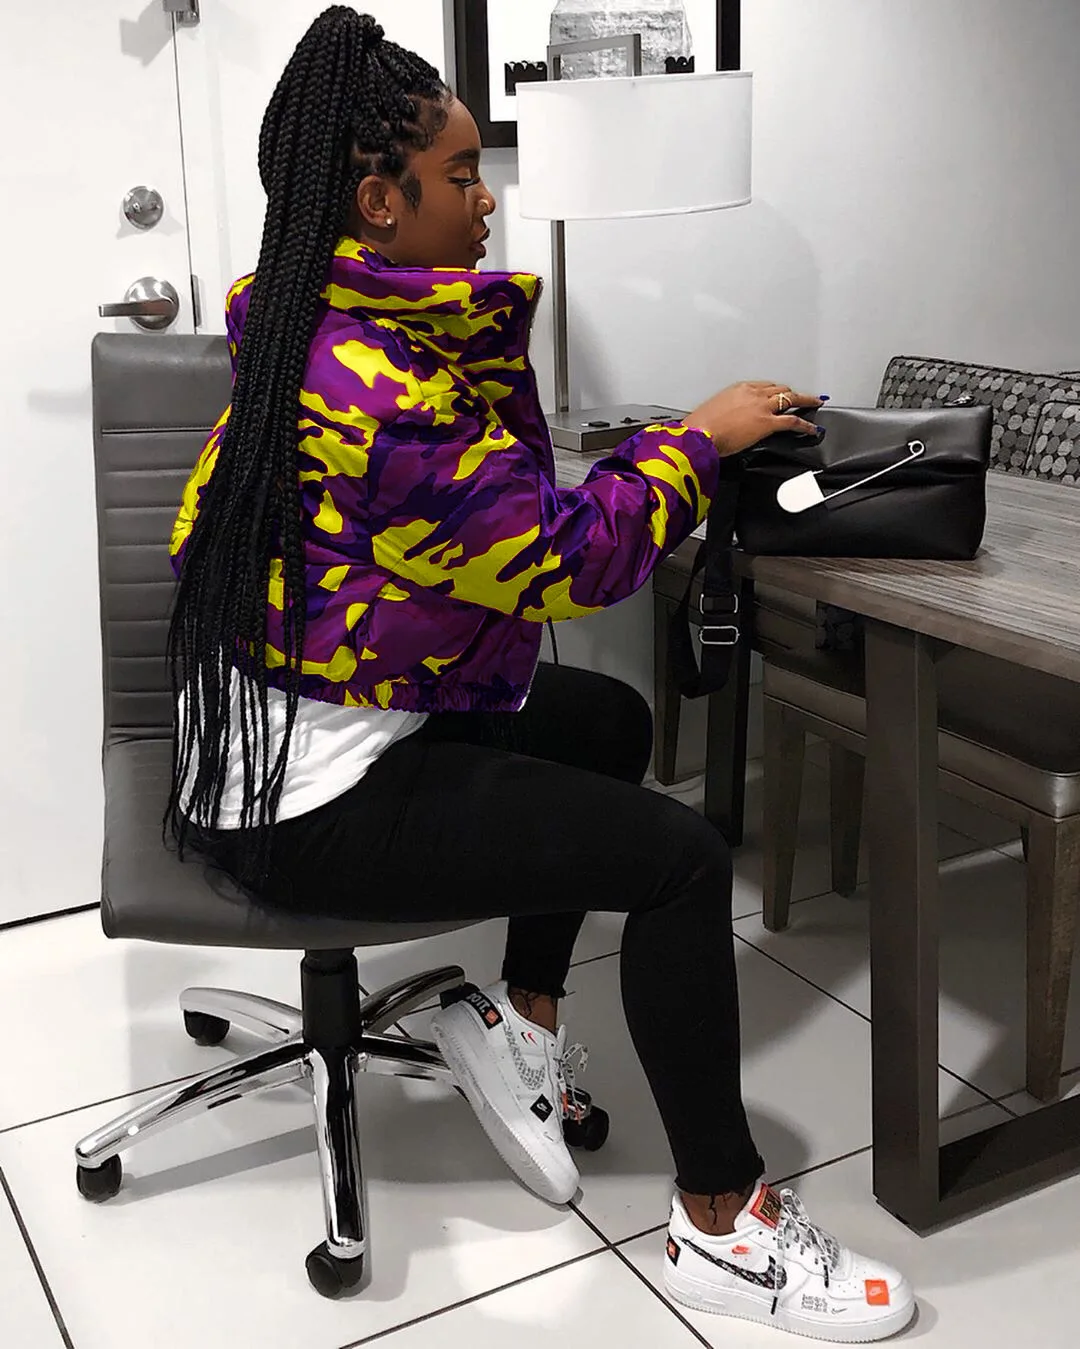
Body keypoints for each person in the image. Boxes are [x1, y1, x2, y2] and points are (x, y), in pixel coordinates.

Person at [167, 9, 914, 1341]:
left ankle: (523, 1024)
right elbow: (571, 566)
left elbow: (473, 531)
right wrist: (696, 440)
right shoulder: (376, 390)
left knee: (608, 719)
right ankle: (723, 1227)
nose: (487, 202)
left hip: (299, 729)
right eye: (462, 176)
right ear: (380, 202)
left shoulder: (306, 319)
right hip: (303, 806)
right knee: (679, 860)